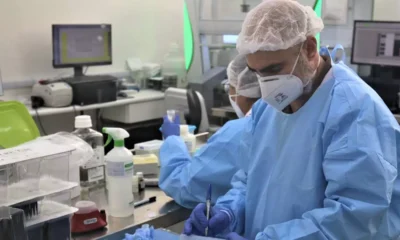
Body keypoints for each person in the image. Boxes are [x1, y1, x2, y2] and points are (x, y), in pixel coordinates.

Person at [183, 0, 400, 239]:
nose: (266, 87)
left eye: (274, 69)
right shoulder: (266, 110)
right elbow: (247, 181)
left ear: (309, 48)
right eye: (258, 74)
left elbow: (352, 218)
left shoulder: (354, 112)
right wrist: (229, 212)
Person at [159, 54, 261, 208]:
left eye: (229, 87)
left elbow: (181, 184)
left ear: (240, 90)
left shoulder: (236, 133)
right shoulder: (283, 122)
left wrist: (172, 140)